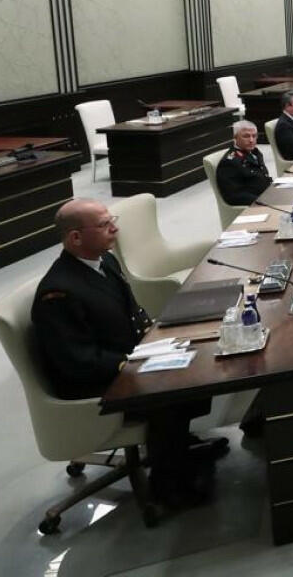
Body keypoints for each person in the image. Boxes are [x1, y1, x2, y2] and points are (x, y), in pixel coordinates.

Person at [31, 200, 226, 506]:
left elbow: (131, 313)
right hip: (94, 381)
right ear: (75, 238)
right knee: (172, 387)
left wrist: (159, 341)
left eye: (113, 220)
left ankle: (179, 446)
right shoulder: (58, 292)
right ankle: (168, 485)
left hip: (124, 358)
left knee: (198, 357)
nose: (115, 229)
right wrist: (135, 362)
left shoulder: (105, 261)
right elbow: (78, 361)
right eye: (104, 224)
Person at [216, 120, 272, 206]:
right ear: (235, 137)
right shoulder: (229, 162)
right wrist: (263, 201)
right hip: (254, 205)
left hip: (267, 195)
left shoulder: (255, 152)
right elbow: (234, 196)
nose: (251, 140)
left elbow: (263, 177)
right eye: (246, 136)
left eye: (254, 136)